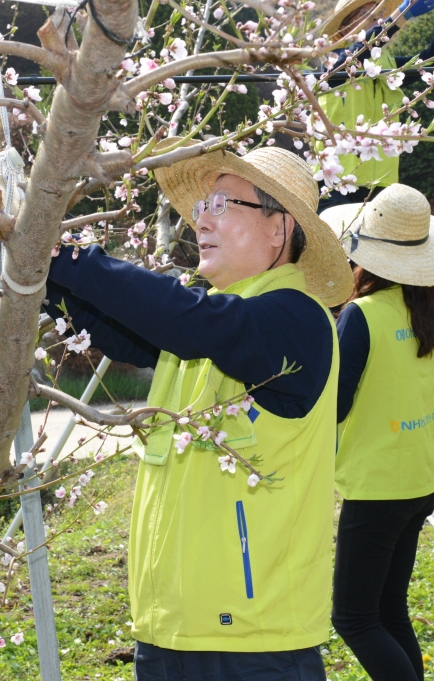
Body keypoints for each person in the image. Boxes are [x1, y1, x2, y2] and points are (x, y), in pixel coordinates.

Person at [44, 142, 353, 680]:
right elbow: (114, 325)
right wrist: (32, 261)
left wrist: (66, 252)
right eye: (201, 207)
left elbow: (188, 321)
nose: (200, 222)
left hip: (254, 642)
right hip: (169, 628)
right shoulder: (212, 328)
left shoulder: (293, 319)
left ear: (278, 228)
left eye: (222, 205)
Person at [319, 184, 434, 681]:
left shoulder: (362, 316)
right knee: (388, 609)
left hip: (376, 487)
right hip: (420, 480)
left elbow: (332, 407)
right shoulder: (431, 309)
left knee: (354, 618)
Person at [316, 0, 434, 205]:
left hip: (380, 184)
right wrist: (401, 14)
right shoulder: (331, 61)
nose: (379, 18)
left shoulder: (386, 64)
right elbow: (358, 54)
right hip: (336, 180)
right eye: (369, 13)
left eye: (381, 13)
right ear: (345, 28)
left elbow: (429, 63)